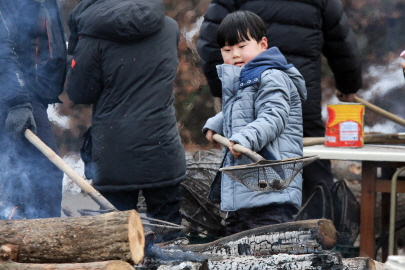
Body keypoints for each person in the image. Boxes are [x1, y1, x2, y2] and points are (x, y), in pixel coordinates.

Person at [197, 0, 363, 205]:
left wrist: (226, 91)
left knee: (255, 169)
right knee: (311, 170)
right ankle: (321, 224)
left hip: (260, 92)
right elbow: (341, 42)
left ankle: (274, 223)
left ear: (263, 44)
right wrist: (348, 86)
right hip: (302, 98)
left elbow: (209, 42)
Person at [66, 0, 186, 241]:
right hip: (162, 147)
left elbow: (80, 93)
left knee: (118, 241)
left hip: (114, 152)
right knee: (171, 240)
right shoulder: (169, 27)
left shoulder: (93, 36)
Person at [203, 10, 307, 235]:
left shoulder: (272, 76)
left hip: (271, 188)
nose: (235, 55)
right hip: (245, 189)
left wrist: (244, 139)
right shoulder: (246, 79)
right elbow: (241, 110)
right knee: (236, 246)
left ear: (263, 44)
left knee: (267, 246)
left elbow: (273, 117)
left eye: (242, 47)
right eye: (227, 50)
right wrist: (216, 124)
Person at [0, 0, 66, 219]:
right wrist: (18, 101)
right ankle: (46, 239)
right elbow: (2, 48)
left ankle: (28, 237)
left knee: (25, 172)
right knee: (45, 170)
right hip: (11, 92)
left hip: (29, 92)